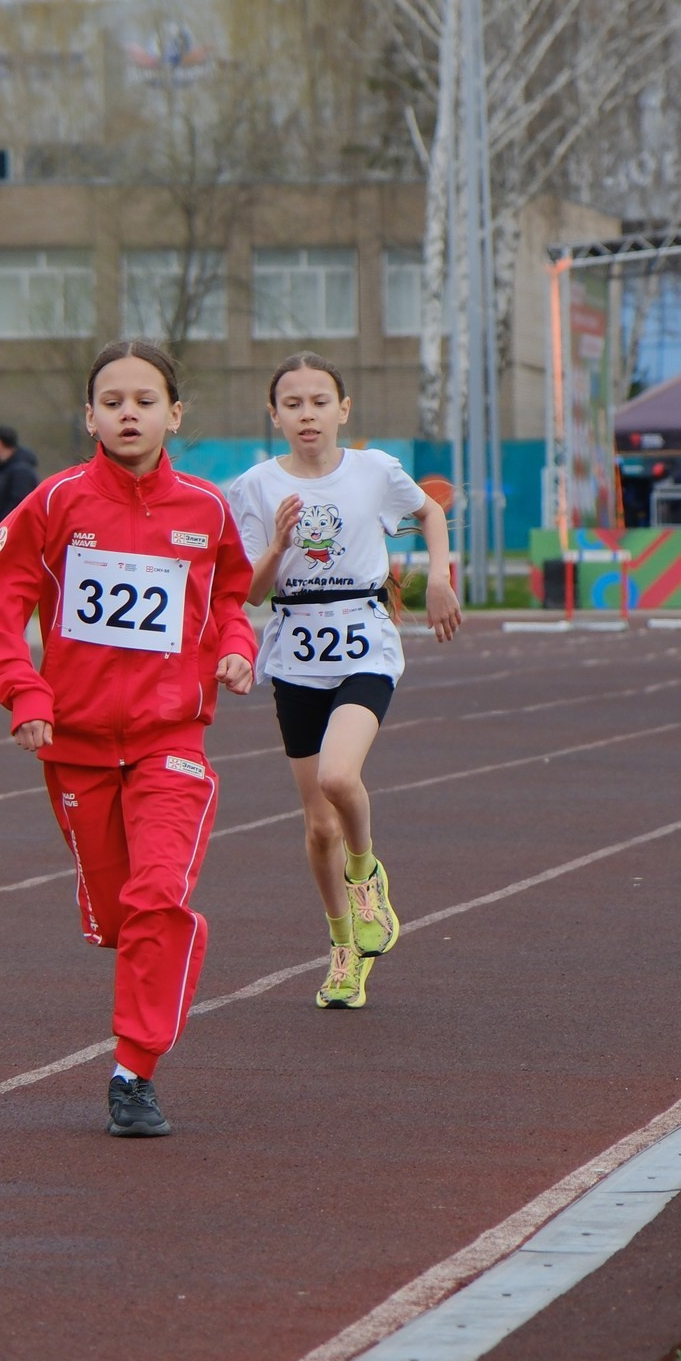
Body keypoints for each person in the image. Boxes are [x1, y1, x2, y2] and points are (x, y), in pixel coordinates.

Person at [0, 340, 258, 1139]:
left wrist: (236, 645)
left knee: (156, 898)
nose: (128, 412)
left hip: (173, 740)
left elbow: (231, 592)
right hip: (78, 746)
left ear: (175, 413)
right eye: (112, 399)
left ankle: (133, 1070)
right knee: (115, 914)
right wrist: (24, 692)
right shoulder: (55, 503)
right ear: (88, 414)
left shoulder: (206, 509)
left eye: (145, 398)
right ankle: (130, 949)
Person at [228, 354, 461, 1010]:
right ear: (274, 415)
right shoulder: (253, 487)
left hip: (364, 645)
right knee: (316, 824)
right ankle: (342, 947)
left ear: (343, 409)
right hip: (295, 652)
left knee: (338, 778)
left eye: (320, 401)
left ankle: (367, 874)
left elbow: (432, 514)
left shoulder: (374, 471)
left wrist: (438, 575)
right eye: (294, 403)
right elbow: (246, 590)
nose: (308, 414)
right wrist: (274, 547)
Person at [0, 424, 40, 538]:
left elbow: (18, 503)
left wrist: (2, 527)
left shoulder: (20, 471)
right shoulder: (4, 467)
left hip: (8, 533)